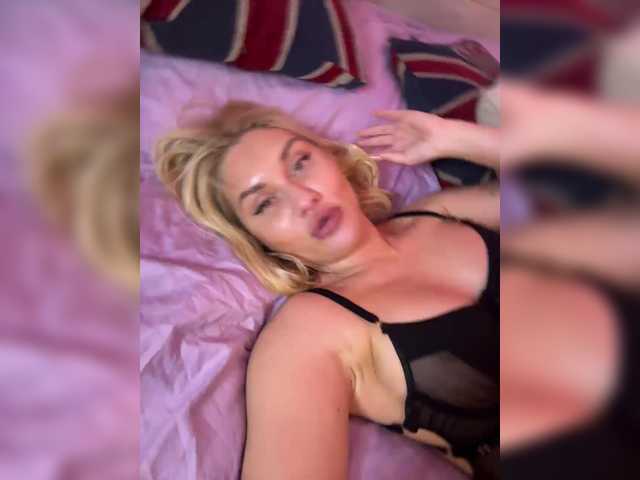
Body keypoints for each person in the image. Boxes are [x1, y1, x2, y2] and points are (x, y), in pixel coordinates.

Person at [154, 101, 500, 479]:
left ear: (334, 159)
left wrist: (457, 139)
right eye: (265, 203)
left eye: (300, 162)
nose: (304, 199)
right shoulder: (306, 335)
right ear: (255, 240)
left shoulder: (441, 210)